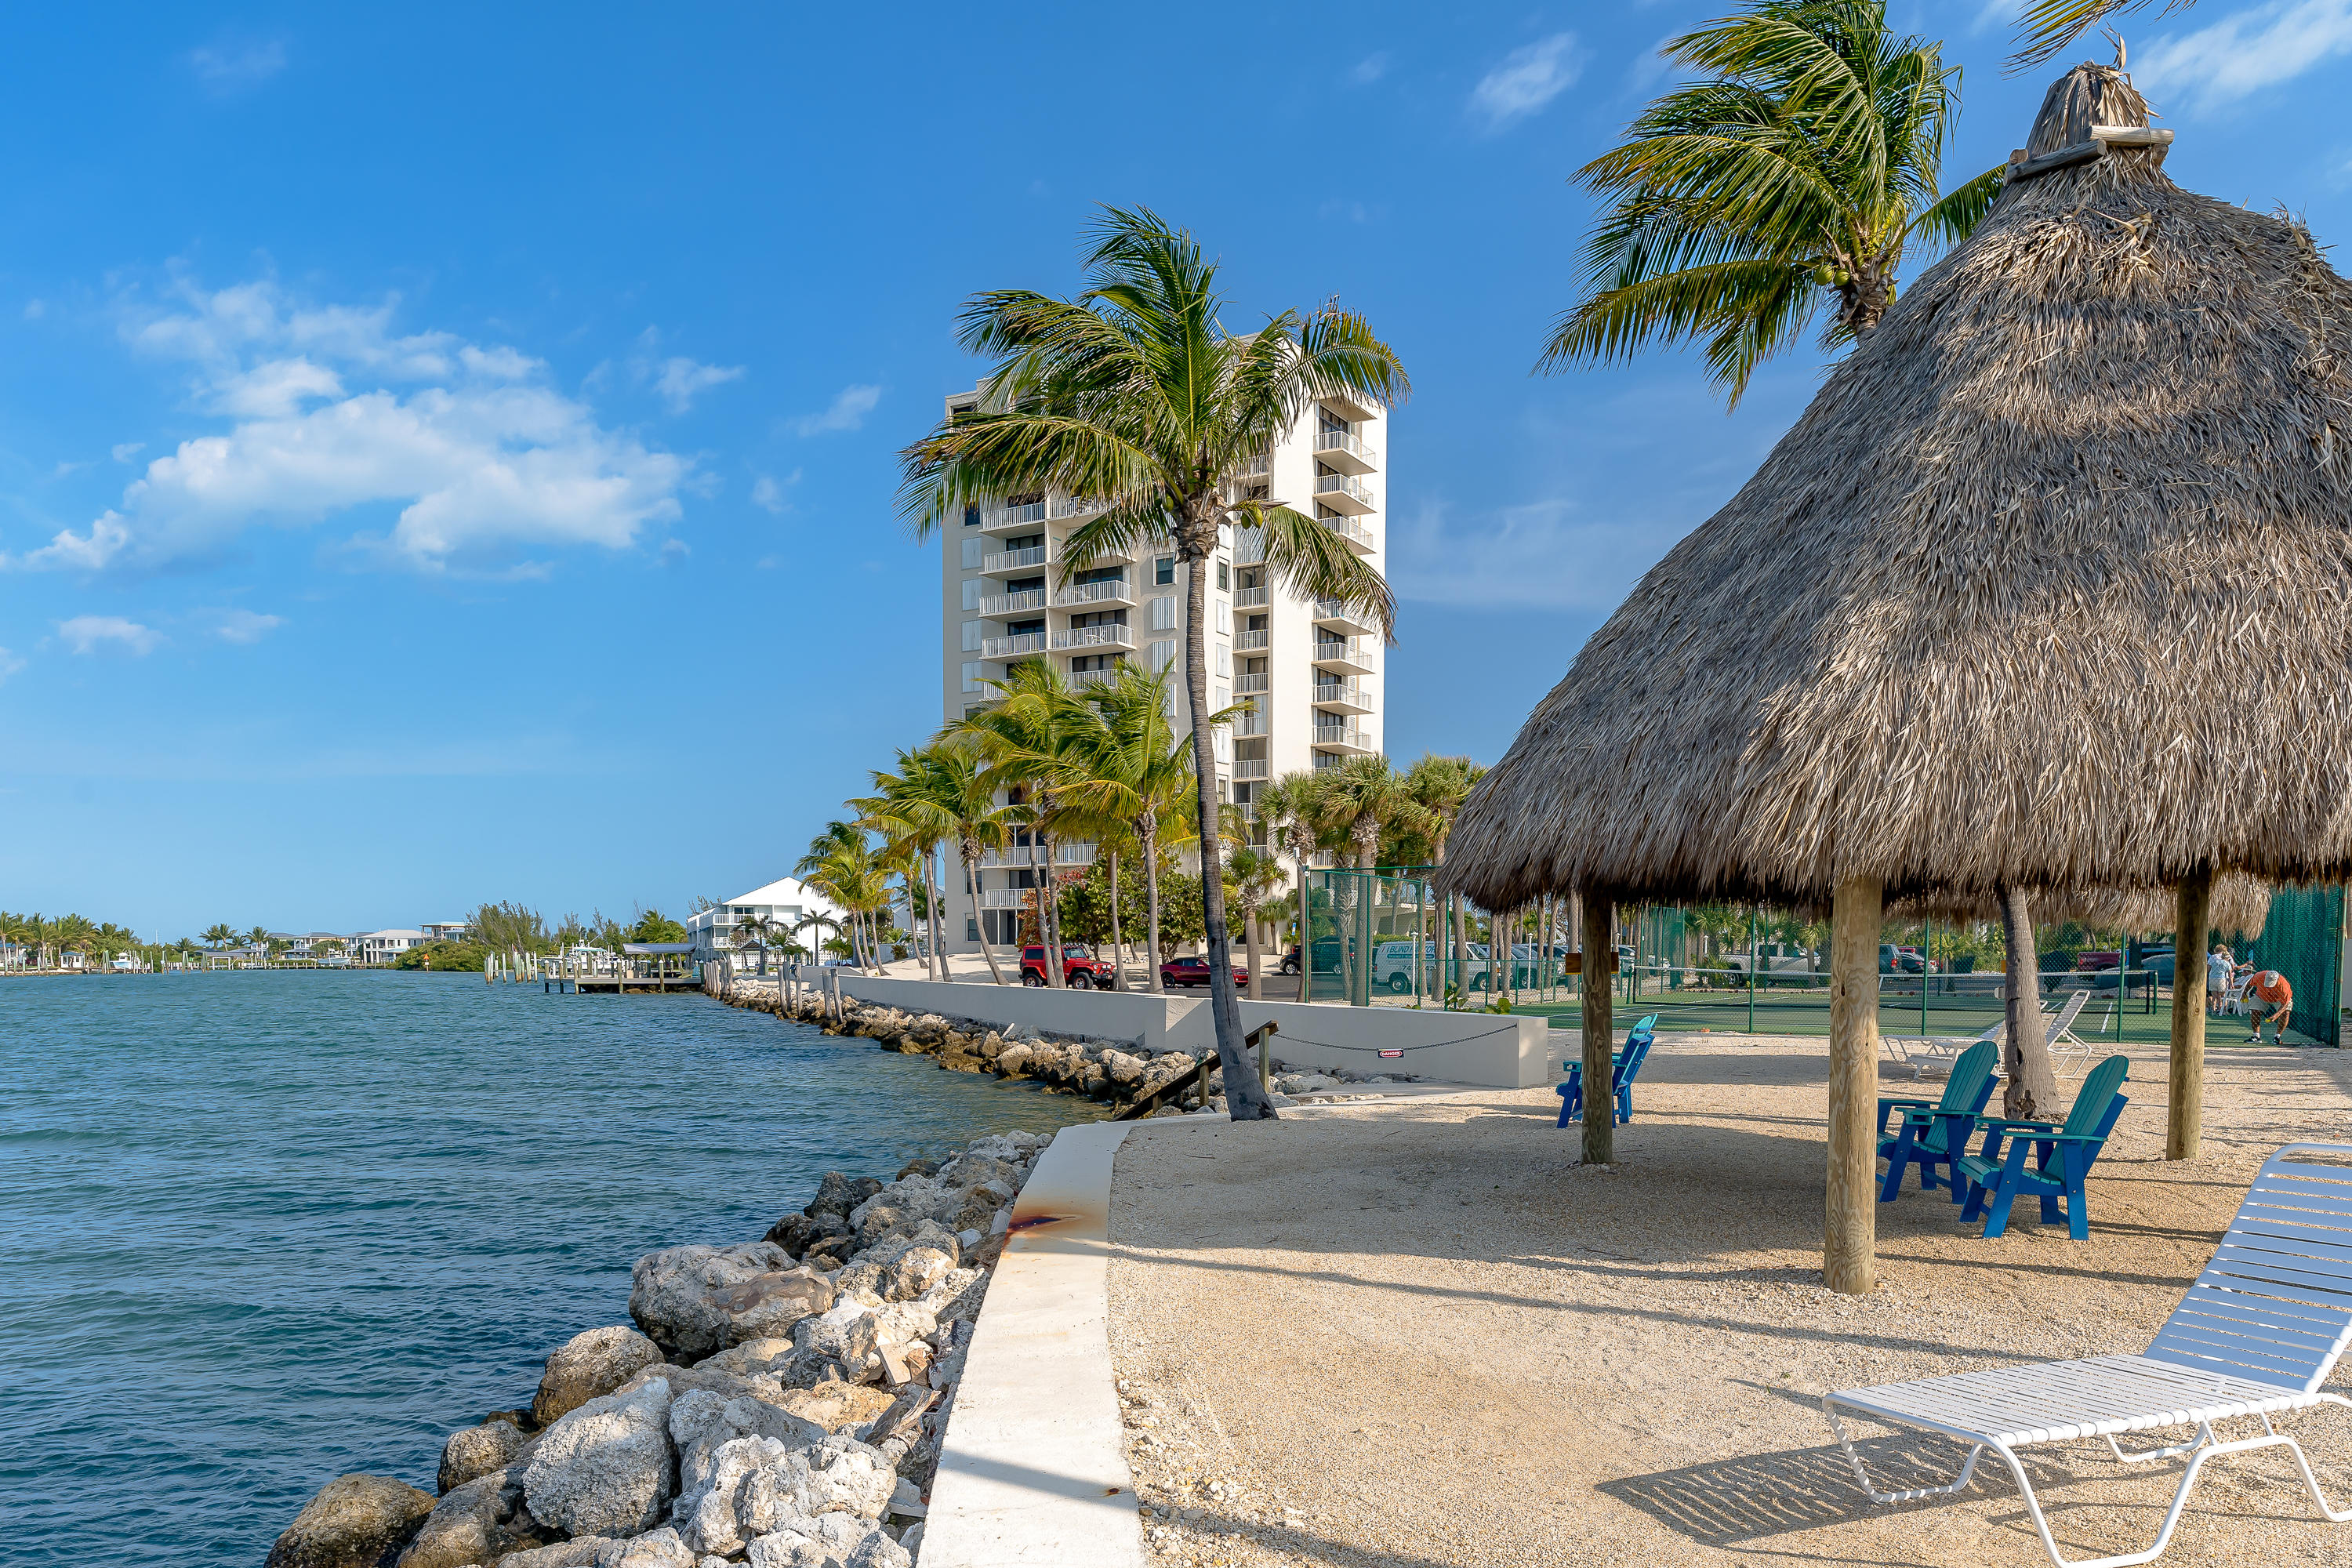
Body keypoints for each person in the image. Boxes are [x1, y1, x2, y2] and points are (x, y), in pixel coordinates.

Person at [2248, 967, 2295, 1045]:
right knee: (2255, 1010)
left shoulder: (2284, 986)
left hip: (2279, 1000)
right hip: (2261, 996)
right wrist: (2244, 994)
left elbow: (2285, 1004)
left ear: (2277, 980)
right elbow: (2250, 983)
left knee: (2286, 1012)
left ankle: (2277, 1037)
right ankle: (2256, 1036)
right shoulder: (2259, 976)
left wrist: (2275, 1016)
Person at [2207, 943, 2234, 1014]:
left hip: (2212, 978)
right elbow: (2232, 968)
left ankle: (2214, 1009)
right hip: (2222, 979)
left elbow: (2208, 969)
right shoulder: (2228, 958)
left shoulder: (2213, 957)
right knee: (2223, 995)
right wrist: (2231, 984)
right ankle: (2223, 1010)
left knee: (2214, 996)